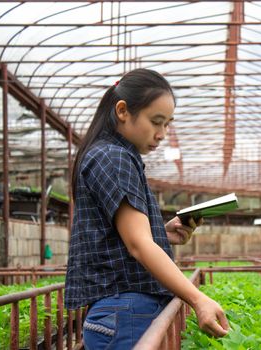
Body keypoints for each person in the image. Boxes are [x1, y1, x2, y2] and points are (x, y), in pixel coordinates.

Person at [64, 68, 229, 349]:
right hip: (126, 312)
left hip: (122, 311)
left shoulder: (110, 154)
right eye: (156, 122)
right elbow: (138, 244)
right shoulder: (113, 157)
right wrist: (198, 298)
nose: (162, 134)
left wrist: (161, 234)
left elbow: (125, 238)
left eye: (167, 124)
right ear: (122, 111)